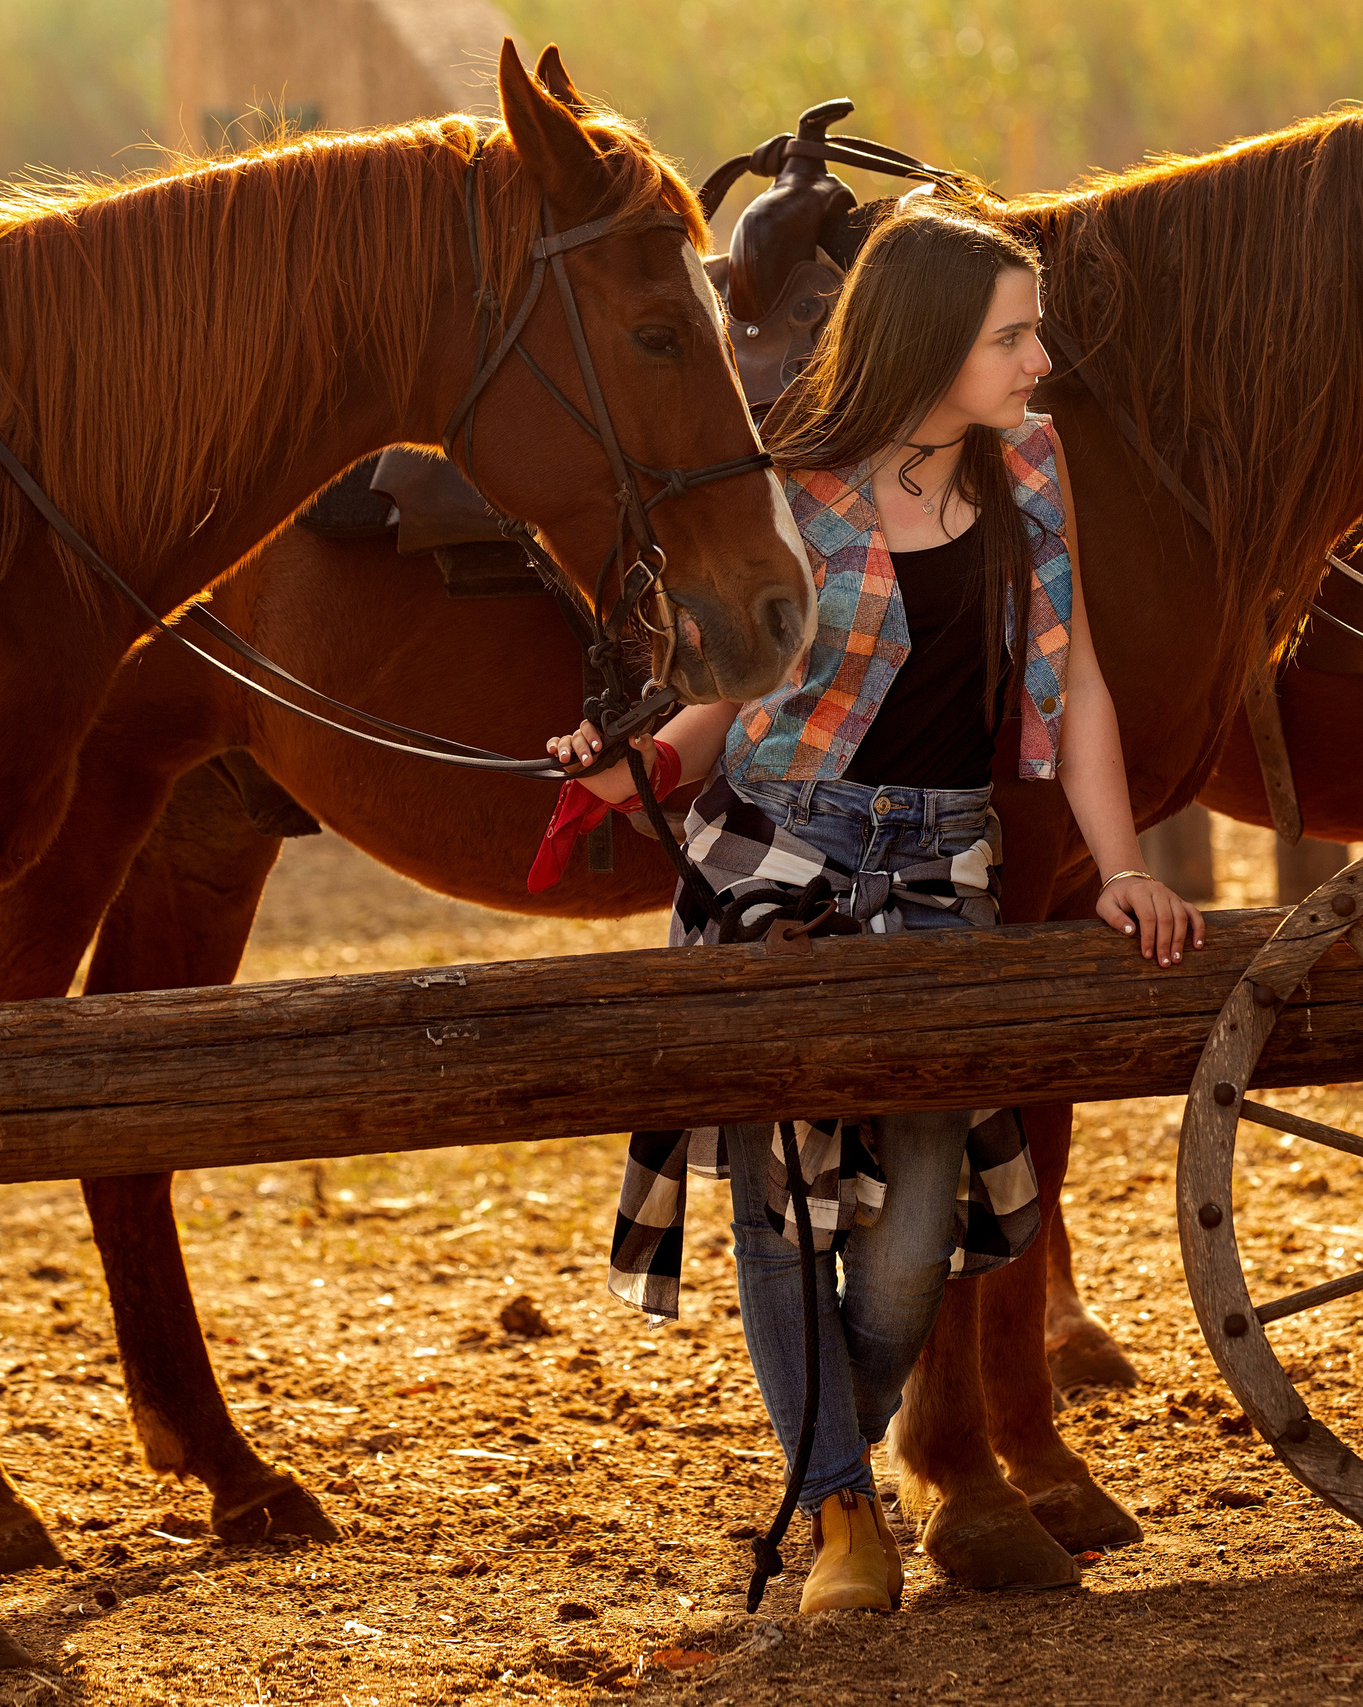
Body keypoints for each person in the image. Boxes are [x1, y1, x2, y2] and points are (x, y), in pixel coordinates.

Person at [531, 200, 1203, 1616]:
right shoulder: (800, 480)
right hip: (784, 849)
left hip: (942, 865)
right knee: (781, 1207)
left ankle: (843, 1454)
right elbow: (732, 697)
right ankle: (841, 1514)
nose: (1037, 358)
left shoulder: (1032, 459)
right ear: (930, 343)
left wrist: (1127, 864)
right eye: (1011, 336)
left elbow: (1070, 676)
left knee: (911, 1228)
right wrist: (632, 769)